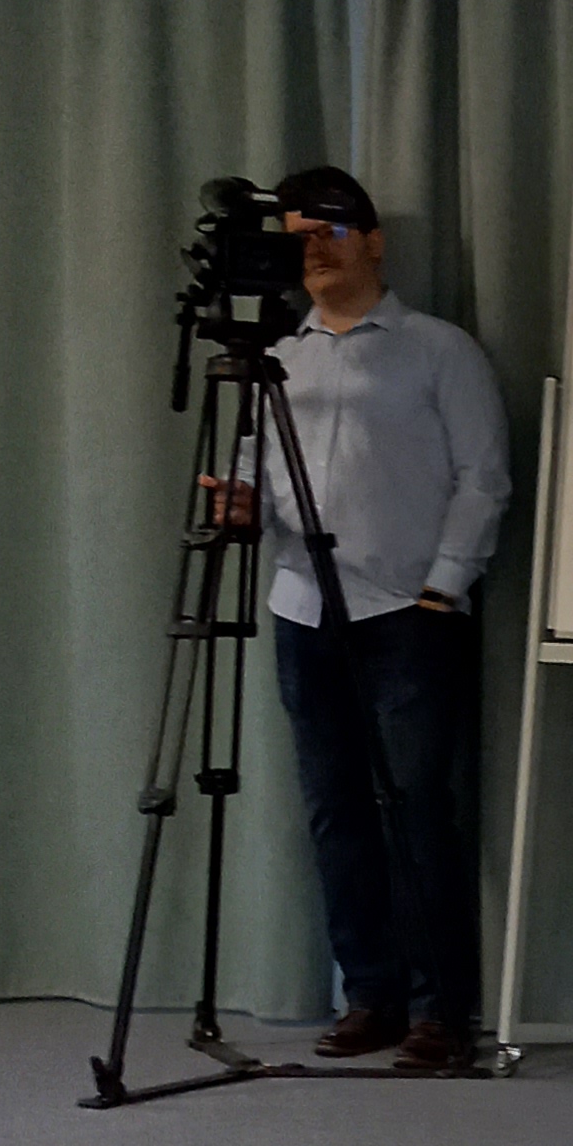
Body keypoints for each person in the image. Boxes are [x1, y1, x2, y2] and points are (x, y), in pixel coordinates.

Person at [221, 165, 512, 1074]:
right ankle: (371, 996)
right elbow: (256, 468)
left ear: (374, 242)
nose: (314, 251)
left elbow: (483, 477)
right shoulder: (280, 357)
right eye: (300, 239)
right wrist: (241, 508)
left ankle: (438, 1010)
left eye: (331, 232)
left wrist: (445, 586)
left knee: (418, 811)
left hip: (407, 613)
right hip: (303, 607)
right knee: (332, 810)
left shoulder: (437, 350)